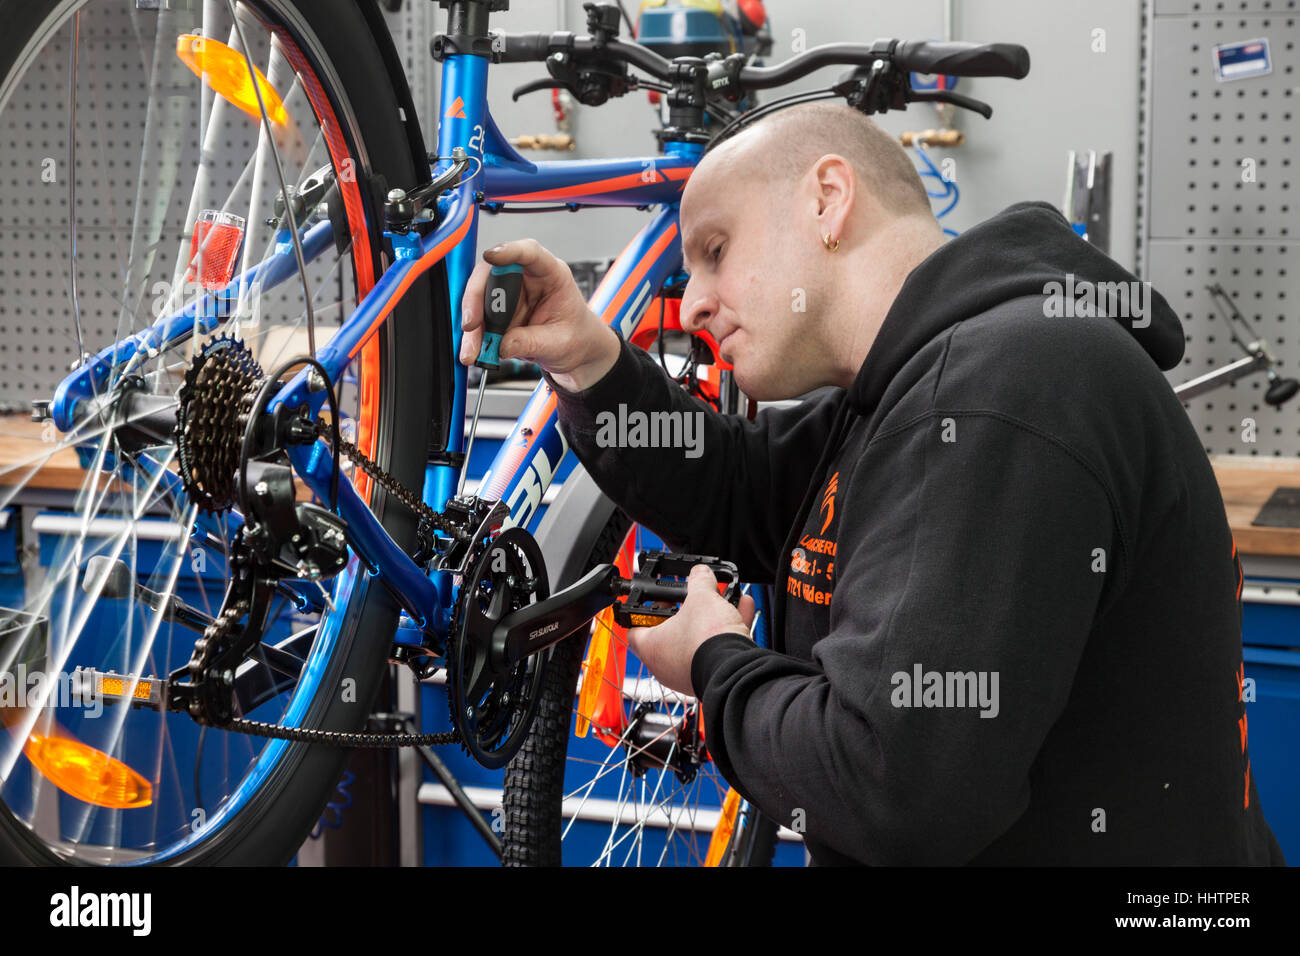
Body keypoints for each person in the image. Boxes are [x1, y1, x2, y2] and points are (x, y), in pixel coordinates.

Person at [458, 102, 1285, 866]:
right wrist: (588, 360)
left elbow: (890, 785)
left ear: (827, 199)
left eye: (715, 251)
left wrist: (717, 665)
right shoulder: (907, 390)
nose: (693, 306)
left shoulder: (1003, 389)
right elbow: (735, 486)